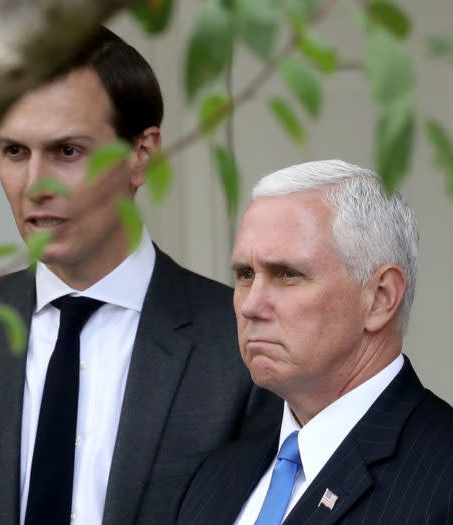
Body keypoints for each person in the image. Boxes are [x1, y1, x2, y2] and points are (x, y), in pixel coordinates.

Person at [0, 27, 278, 525]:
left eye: (67, 151)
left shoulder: (243, 340)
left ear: (142, 154)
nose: (35, 185)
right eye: (15, 152)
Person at [179, 159, 453, 525]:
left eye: (288, 274)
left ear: (381, 297)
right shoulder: (215, 476)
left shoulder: (442, 474)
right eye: (245, 274)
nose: (250, 304)